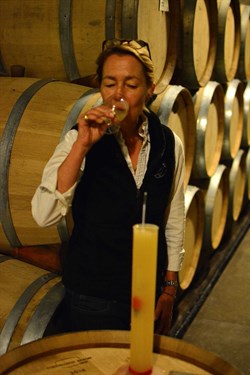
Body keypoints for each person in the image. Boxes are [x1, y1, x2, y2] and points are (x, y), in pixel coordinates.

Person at [31, 39, 185, 335]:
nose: (118, 94)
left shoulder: (168, 143)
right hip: (92, 296)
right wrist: (82, 145)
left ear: (150, 89)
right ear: (99, 87)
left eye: (131, 84)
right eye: (110, 83)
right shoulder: (79, 140)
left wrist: (168, 287)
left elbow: (173, 217)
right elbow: (44, 214)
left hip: (147, 294)